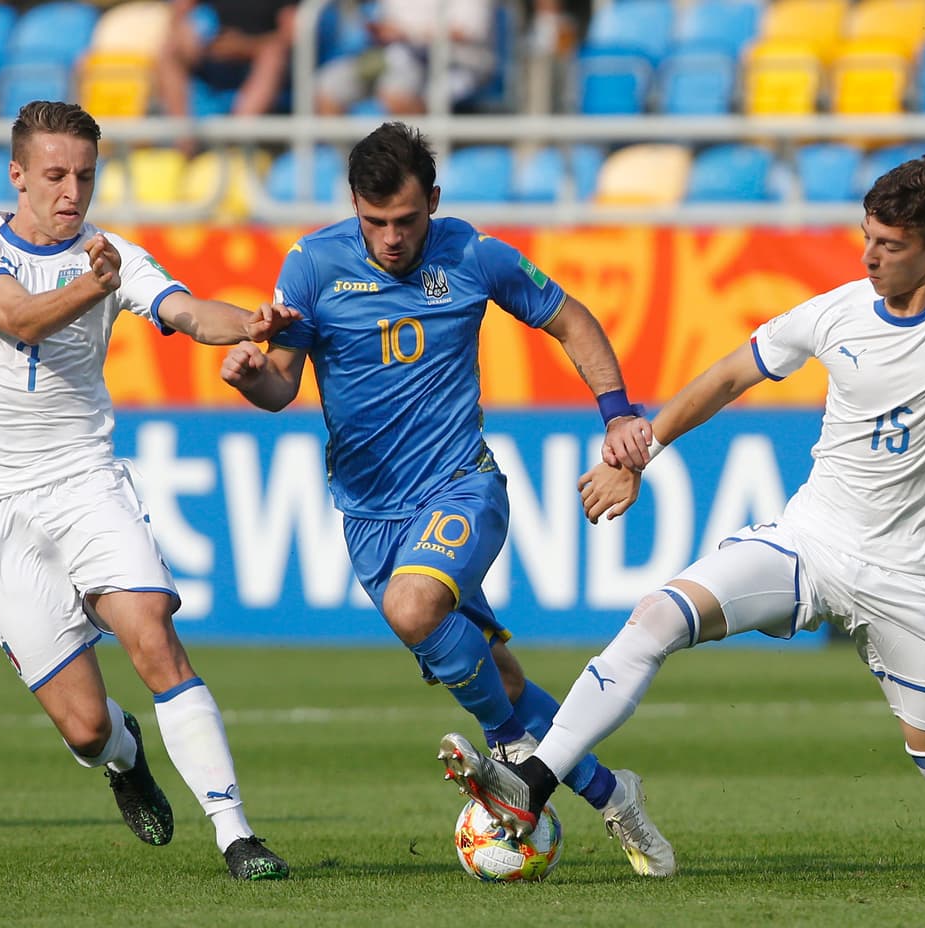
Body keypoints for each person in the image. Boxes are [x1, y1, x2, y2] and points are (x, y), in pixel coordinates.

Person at [436, 155, 925, 880]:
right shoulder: (836, 312)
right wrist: (641, 453)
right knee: (656, 620)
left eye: (889, 246)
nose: (869, 256)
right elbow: (733, 371)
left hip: (906, 579)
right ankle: (533, 783)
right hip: (808, 543)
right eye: (867, 237)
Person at [219, 121, 675, 876]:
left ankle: (505, 754)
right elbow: (281, 386)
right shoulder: (311, 265)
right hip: (369, 516)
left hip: (462, 483)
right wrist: (249, 376)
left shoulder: (473, 254)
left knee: (413, 609)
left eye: (406, 220)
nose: (392, 239)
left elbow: (573, 320)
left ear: (432, 200)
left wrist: (617, 411)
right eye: (375, 223)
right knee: (506, 678)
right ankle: (611, 792)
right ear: (354, 210)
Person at [0, 100, 294, 881]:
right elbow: (18, 318)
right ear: (17, 175)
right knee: (87, 728)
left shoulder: (114, 254)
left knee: (151, 626)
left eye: (85, 176)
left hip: (82, 476)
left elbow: (187, 312)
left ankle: (237, 835)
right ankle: (126, 758)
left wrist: (252, 324)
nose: (71, 192)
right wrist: (98, 285)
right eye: (54, 175)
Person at [314, 0, 496, 115]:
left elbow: (466, 31)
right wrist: (378, 31)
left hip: (457, 64)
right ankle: (350, 166)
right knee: (327, 86)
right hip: (394, 57)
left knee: (397, 93)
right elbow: (385, 25)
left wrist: (408, 34)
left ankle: (416, 168)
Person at [156, 0, 296, 134]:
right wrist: (184, 32)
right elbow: (181, 12)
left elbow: (291, 34)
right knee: (170, 52)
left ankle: (237, 138)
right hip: (212, 57)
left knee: (273, 55)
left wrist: (245, 46)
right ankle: (184, 142)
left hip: (258, 58)